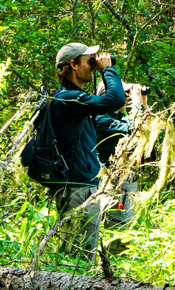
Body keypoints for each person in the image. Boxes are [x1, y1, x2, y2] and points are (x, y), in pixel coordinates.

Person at [49, 42, 125, 261]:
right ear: (73, 64)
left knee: (82, 258)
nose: (93, 65)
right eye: (90, 60)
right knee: (79, 261)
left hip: (83, 186)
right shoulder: (68, 98)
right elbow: (115, 100)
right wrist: (107, 69)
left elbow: (113, 104)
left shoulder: (75, 98)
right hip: (76, 189)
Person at [94, 82, 149, 166]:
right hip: (102, 174)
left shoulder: (119, 118)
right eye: (123, 94)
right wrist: (136, 103)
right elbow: (135, 129)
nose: (126, 97)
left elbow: (146, 128)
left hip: (117, 173)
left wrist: (144, 105)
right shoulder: (101, 120)